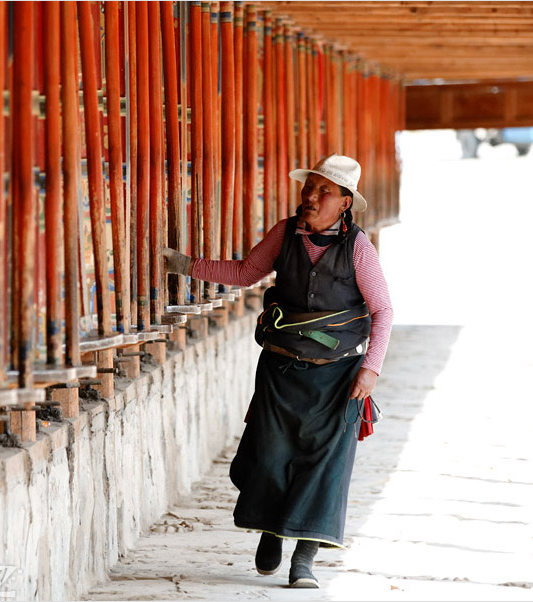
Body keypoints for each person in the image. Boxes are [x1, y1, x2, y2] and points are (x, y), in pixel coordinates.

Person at [163, 154, 393, 589]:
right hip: (280, 371)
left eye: (325, 191)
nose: (311, 196)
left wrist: (371, 370)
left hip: (338, 376)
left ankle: (303, 560)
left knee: (324, 466)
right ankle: (271, 529)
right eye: (310, 187)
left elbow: (383, 310)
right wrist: (186, 264)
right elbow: (246, 272)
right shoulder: (284, 234)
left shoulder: (359, 249)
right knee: (270, 455)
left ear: (345, 203)